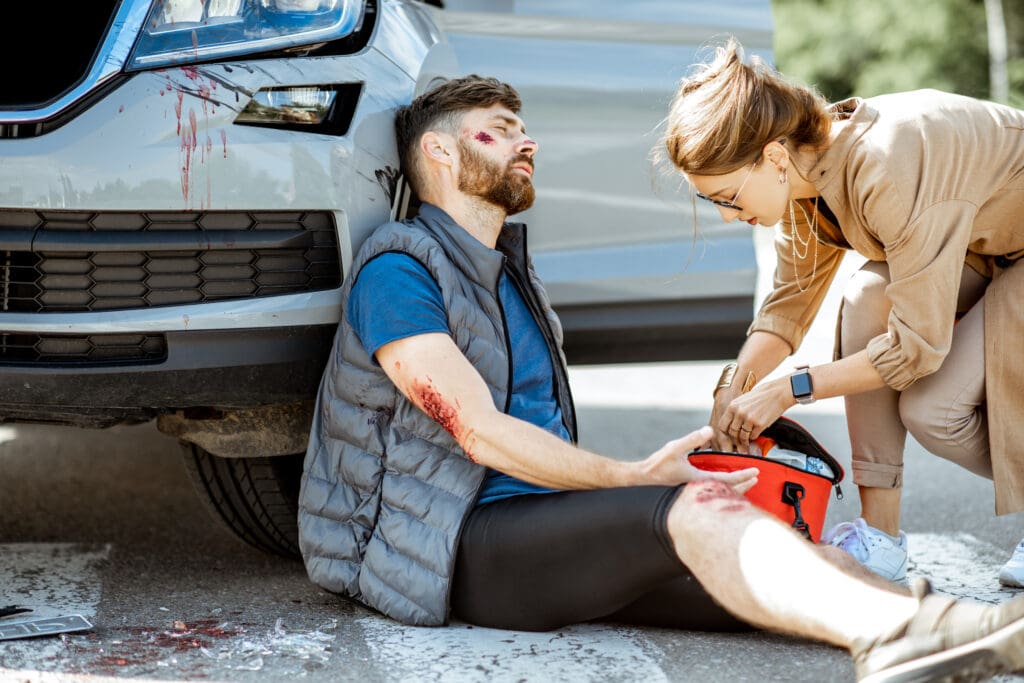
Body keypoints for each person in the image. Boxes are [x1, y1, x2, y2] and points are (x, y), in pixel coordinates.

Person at [297, 74, 1024, 682]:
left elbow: (797, 304)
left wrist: (702, 430)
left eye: (524, 128)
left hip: (540, 527)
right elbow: (479, 432)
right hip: (455, 546)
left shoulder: (510, 275)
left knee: (790, 551)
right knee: (694, 508)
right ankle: (914, 630)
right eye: (500, 128)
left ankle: (950, 629)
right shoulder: (399, 269)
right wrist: (638, 476)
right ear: (440, 151)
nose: (528, 141)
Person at [661, 37, 1024, 587]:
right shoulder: (806, 185)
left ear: (774, 158)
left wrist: (788, 389)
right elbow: (788, 308)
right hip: (990, 246)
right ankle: (881, 536)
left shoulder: (887, 165)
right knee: (866, 298)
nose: (729, 217)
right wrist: (734, 386)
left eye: (728, 197)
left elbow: (916, 348)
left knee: (935, 411)